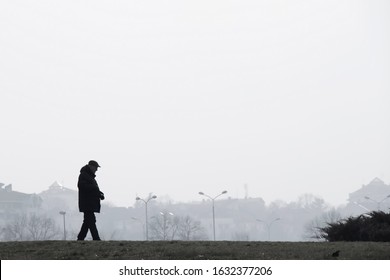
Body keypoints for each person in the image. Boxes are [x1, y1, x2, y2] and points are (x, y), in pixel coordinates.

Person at [77, 160, 105, 241]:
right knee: (91, 221)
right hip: (87, 203)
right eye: (96, 167)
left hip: (89, 203)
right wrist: (94, 189)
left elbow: (93, 189)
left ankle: (80, 238)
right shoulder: (84, 175)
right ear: (91, 166)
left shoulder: (89, 176)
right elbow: (82, 186)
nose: (96, 169)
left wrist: (99, 194)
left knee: (87, 222)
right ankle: (96, 238)